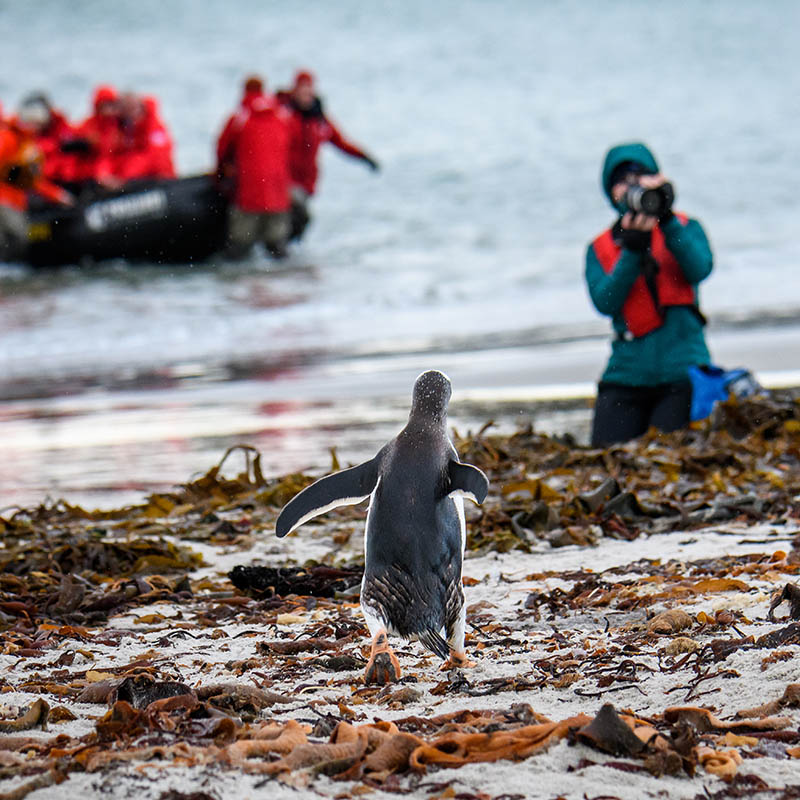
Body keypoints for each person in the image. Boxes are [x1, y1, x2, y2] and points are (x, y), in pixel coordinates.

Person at [585, 142, 713, 447]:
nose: (631, 185)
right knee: (605, 460)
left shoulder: (684, 227)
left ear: (657, 179)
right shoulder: (601, 248)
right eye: (621, 179)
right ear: (610, 192)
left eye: (640, 175)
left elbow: (700, 268)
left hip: (682, 372)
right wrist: (631, 250)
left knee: (670, 454)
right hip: (625, 375)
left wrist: (666, 220)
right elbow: (605, 301)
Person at [277, 70, 379, 241]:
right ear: (294, 91)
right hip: (285, 181)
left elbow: (342, 143)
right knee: (299, 218)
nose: (306, 94)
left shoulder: (319, 119)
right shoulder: (283, 115)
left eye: (309, 89)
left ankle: (286, 263)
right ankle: (280, 261)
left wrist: (365, 158)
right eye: (302, 89)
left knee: (295, 224)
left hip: (307, 183)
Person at [216, 78, 291, 259]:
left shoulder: (240, 118)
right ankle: (286, 283)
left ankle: (241, 285)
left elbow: (222, 149)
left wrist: (220, 176)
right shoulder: (281, 116)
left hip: (249, 193)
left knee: (239, 248)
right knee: (277, 249)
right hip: (278, 192)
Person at [0, 112, 73, 261]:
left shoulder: (28, 145)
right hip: (5, 201)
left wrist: (58, 195)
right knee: (16, 234)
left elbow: (34, 181)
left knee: (17, 236)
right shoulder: (8, 138)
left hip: (16, 202)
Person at [114, 92, 176, 181]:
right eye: (126, 110)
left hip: (159, 180)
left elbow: (156, 158)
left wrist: (123, 177)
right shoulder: (123, 129)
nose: (132, 114)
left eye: (133, 109)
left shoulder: (154, 127)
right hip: (133, 181)